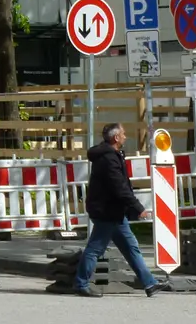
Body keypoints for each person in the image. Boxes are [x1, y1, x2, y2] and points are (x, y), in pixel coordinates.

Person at [74, 123, 163, 297]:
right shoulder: (109, 158)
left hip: (113, 211)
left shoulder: (111, 155)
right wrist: (137, 207)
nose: (125, 136)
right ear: (116, 138)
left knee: (131, 248)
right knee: (95, 249)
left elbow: (120, 186)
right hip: (107, 211)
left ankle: (149, 283)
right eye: (123, 134)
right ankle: (80, 283)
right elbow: (119, 187)